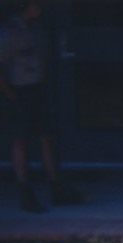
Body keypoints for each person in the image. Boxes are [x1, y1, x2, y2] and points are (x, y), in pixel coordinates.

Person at [0, 1, 76, 212]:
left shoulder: (37, 28)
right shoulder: (10, 33)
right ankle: (25, 192)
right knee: (20, 141)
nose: (40, 8)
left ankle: (56, 185)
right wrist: (10, 94)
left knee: (47, 136)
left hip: (38, 88)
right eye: (36, 4)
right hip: (18, 91)